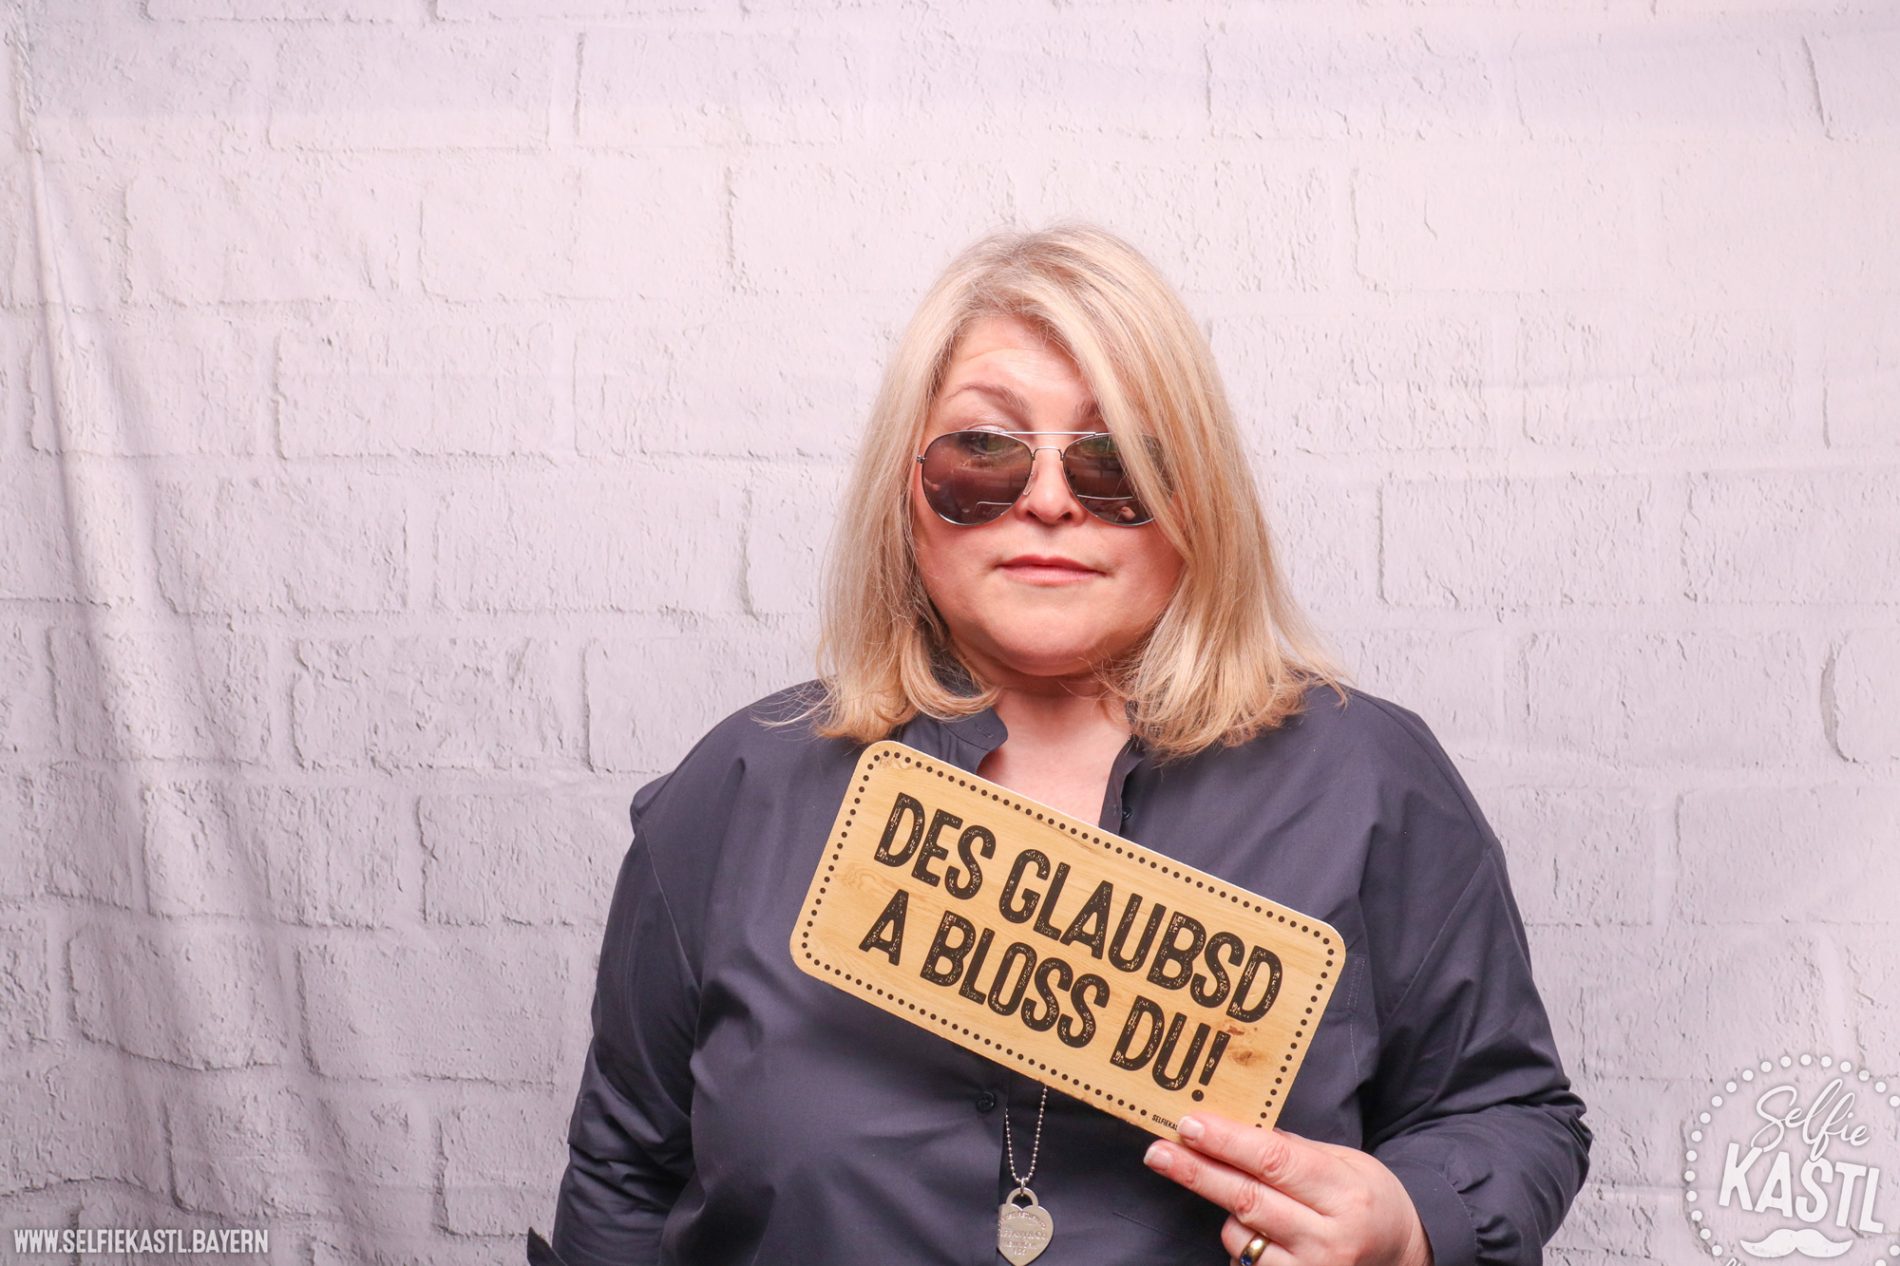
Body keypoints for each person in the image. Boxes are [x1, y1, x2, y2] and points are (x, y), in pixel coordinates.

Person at [543, 222, 1591, 1266]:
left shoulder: (1367, 782)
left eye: (1115, 459)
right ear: (906, 492)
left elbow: (1508, 1113)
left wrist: (1409, 1221)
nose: (1047, 501)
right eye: (983, 453)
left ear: (1195, 495)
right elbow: (624, 1177)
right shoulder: (740, 790)